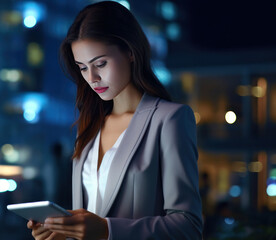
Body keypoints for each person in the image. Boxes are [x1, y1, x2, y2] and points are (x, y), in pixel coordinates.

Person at [27, 1, 203, 239]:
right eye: (82, 68)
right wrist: (66, 231)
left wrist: (108, 230)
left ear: (130, 52)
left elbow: (188, 227)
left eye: (101, 63)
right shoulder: (88, 126)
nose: (93, 78)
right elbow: (93, 215)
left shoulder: (170, 119)